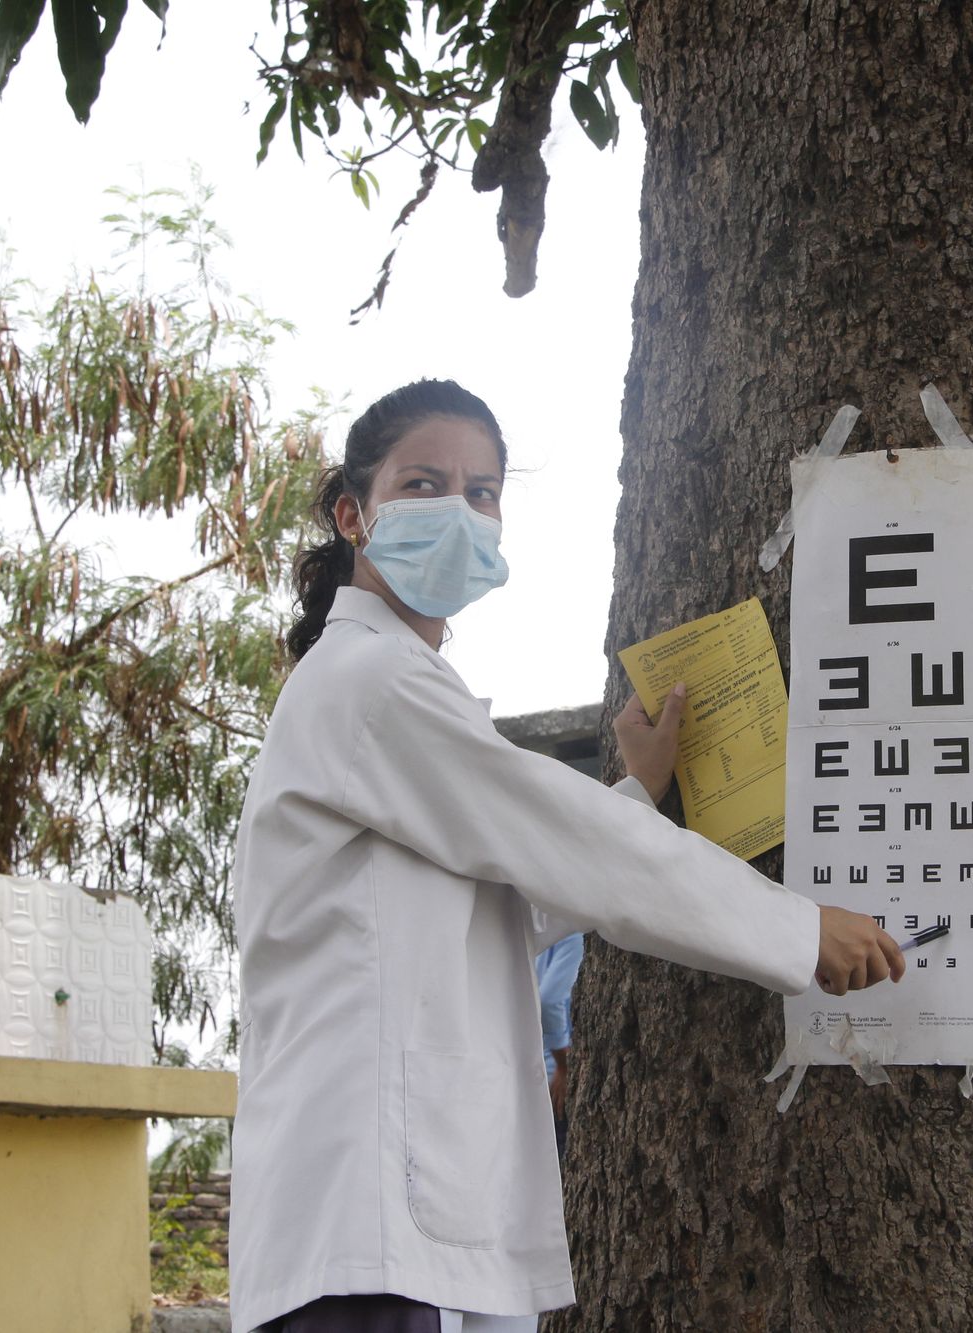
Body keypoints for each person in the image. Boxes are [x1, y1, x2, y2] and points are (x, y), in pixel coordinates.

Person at [229, 380, 904, 1333]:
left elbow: (509, 893)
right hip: (363, 1225)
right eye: (423, 484)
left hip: (412, 1219)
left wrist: (636, 790)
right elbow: (572, 845)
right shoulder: (369, 683)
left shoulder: (404, 689)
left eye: (482, 492)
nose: (459, 512)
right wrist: (800, 930)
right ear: (354, 513)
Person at [532, 932, 581, 1157]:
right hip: (561, 1081)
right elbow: (549, 999)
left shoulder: (549, 932)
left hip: (538, 1076)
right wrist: (564, 1064)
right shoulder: (577, 936)